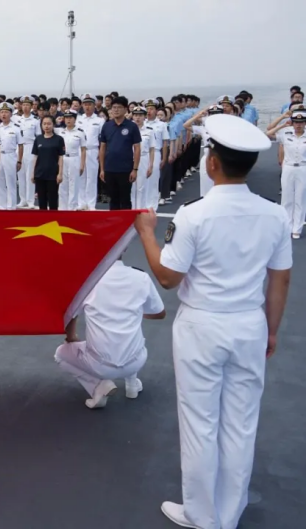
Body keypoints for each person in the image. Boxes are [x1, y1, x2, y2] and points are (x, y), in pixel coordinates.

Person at [134, 114, 291, 529]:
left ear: (212, 163)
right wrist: (271, 329)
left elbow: (168, 278)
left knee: (200, 421)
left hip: (202, 326)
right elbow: (280, 279)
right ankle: (229, 512)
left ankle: (202, 515)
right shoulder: (274, 215)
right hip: (248, 324)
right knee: (241, 423)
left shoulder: (193, 214)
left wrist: (148, 234)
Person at [56, 257, 165, 409]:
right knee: (130, 333)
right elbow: (159, 313)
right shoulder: (141, 277)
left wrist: (71, 337)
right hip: (137, 361)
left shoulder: (87, 281)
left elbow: (71, 315)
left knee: (60, 354)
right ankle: (132, 385)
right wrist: (136, 311)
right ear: (124, 248)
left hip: (100, 366)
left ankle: (98, 387)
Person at [267, 107, 306, 238]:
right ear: (292, 122)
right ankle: (286, 226)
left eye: (301, 122)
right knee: (287, 198)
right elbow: (268, 133)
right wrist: (283, 123)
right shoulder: (286, 133)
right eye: (296, 122)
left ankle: (297, 228)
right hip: (288, 168)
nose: (298, 125)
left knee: (300, 199)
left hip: (303, 168)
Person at [99, 96, 141, 210]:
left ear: (125, 109)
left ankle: (127, 226)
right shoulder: (107, 126)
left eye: (119, 107)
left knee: (125, 199)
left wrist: (135, 169)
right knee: (113, 199)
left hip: (125, 169)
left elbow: (137, 148)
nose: (116, 110)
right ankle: (115, 225)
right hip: (110, 169)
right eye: (114, 107)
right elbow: (102, 148)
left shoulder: (132, 126)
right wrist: (102, 169)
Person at [183, 104, 224, 197]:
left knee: (220, 186)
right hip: (207, 157)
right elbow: (186, 125)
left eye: (217, 113)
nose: (214, 116)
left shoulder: (226, 128)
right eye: (212, 114)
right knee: (206, 184)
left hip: (222, 158)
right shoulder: (204, 128)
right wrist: (198, 115)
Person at [76, 93, 105, 210]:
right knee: (80, 177)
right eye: (85, 104)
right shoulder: (78, 119)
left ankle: (91, 204)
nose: (87, 107)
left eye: (90, 104)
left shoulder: (100, 120)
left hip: (93, 150)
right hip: (79, 151)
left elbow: (102, 138)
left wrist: (100, 152)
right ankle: (81, 202)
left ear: (94, 106)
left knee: (92, 178)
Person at [31, 115, 64, 210]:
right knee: (42, 201)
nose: (47, 126)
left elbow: (61, 157)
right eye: (44, 124)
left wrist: (60, 173)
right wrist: (33, 173)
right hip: (40, 174)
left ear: (53, 125)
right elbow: (35, 157)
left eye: (49, 124)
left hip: (53, 175)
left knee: (53, 201)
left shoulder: (59, 139)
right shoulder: (38, 139)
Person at [56, 109, 86, 210]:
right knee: (62, 184)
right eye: (66, 118)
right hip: (63, 159)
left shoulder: (80, 132)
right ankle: (62, 207)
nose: (68, 120)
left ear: (75, 119)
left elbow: (83, 150)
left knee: (74, 184)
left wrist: (82, 165)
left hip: (74, 159)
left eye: (70, 118)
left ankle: (72, 207)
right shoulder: (60, 132)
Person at [0, 102, 22, 210]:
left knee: (11, 183)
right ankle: (2, 206)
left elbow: (20, 146)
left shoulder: (16, 128)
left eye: (6, 112)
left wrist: (19, 161)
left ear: (11, 114)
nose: (4, 114)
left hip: (10, 156)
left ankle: (11, 207)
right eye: (2, 112)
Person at [17, 96, 42, 209]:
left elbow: (38, 137)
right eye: (24, 105)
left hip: (31, 147)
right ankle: (22, 199)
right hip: (20, 147)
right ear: (21, 106)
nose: (26, 107)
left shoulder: (36, 121)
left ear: (32, 106)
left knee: (30, 175)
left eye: (28, 105)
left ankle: (30, 200)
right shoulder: (16, 120)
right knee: (20, 175)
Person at [130, 106, 156, 209]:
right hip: (130, 159)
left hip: (143, 159)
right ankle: (132, 209)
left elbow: (152, 149)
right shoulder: (129, 130)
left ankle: (140, 209)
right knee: (131, 187)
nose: (137, 118)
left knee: (141, 186)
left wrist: (151, 165)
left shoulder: (149, 131)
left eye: (140, 115)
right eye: (135, 115)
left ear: (144, 117)